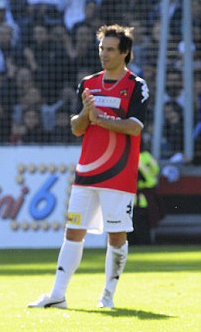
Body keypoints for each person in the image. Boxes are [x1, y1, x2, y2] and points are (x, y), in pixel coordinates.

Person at [28, 24, 150, 310]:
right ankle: (58, 294)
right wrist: (85, 113)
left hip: (119, 174)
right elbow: (77, 128)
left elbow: (134, 128)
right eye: (101, 48)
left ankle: (107, 296)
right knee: (73, 230)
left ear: (124, 53)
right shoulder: (89, 83)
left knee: (117, 235)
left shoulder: (136, 86)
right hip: (87, 172)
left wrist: (101, 119)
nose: (103, 54)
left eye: (109, 49)